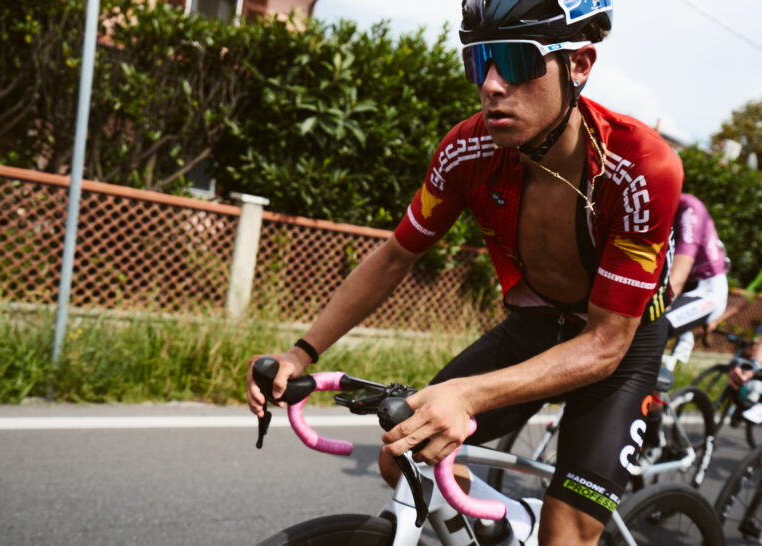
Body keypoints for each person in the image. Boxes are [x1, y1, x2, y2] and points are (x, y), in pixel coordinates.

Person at [246, 1, 683, 544]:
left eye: (517, 62)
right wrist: (300, 353)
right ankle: (503, 528)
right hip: (535, 326)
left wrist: (467, 396)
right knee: (404, 454)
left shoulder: (642, 168)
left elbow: (604, 344)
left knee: (565, 532)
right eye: (479, 63)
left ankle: (535, 529)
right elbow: (395, 256)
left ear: (580, 64)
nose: (493, 85)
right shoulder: (466, 150)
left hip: (618, 346)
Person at [660, 193, 730, 371]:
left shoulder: (689, 206)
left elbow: (678, 274)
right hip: (687, 288)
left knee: (655, 326)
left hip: (707, 290)